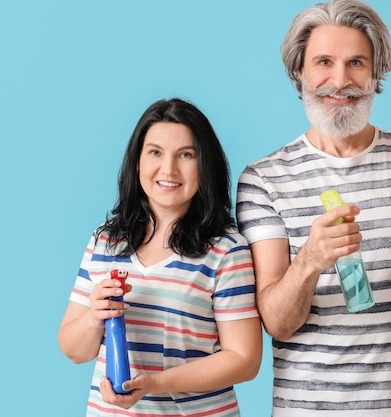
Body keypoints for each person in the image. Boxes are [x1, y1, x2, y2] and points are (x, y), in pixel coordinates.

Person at [235, 1, 391, 416]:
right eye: (323, 62)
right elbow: (276, 322)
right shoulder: (264, 179)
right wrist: (311, 259)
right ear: (300, 71)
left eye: (356, 63)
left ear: (376, 72)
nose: (340, 80)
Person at [59, 98, 263, 417]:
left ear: (204, 165)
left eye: (186, 154)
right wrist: (93, 317)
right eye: (155, 152)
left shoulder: (226, 249)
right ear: (137, 161)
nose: (168, 169)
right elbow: (74, 350)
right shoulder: (106, 241)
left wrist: (154, 383)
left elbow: (244, 360)